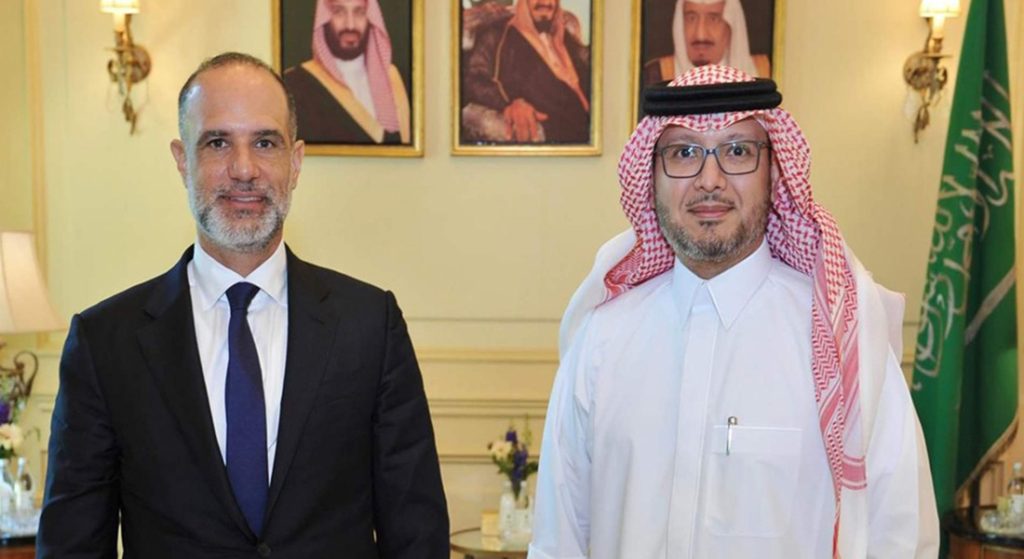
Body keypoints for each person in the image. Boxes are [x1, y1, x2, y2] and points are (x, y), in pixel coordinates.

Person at [38, 52, 448, 558]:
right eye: (217, 143)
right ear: (182, 161)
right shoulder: (105, 343)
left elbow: (416, 536)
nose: (244, 169)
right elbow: (72, 546)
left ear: (295, 162)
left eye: (265, 142)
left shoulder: (370, 326)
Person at [529, 65, 939, 558]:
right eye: (684, 153)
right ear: (651, 176)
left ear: (774, 171)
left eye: (738, 151)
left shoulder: (843, 341)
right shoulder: (600, 341)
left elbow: (900, 536)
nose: (710, 180)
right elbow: (558, 542)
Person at [462, 0, 591, 144]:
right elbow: (474, 78)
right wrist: (511, 103)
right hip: (556, 133)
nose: (545, 2)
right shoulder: (498, 34)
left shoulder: (564, 35)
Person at [283, 0, 411, 145]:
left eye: (359, 12)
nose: (350, 25)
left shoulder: (401, 80)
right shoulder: (295, 84)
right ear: (324, 18)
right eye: (339, 12)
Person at [643, 0, 768, 86]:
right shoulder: (654, 74)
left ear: (731, 25)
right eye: (691, 18)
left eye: (713, 19)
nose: (701, 35)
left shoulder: (764, 71)